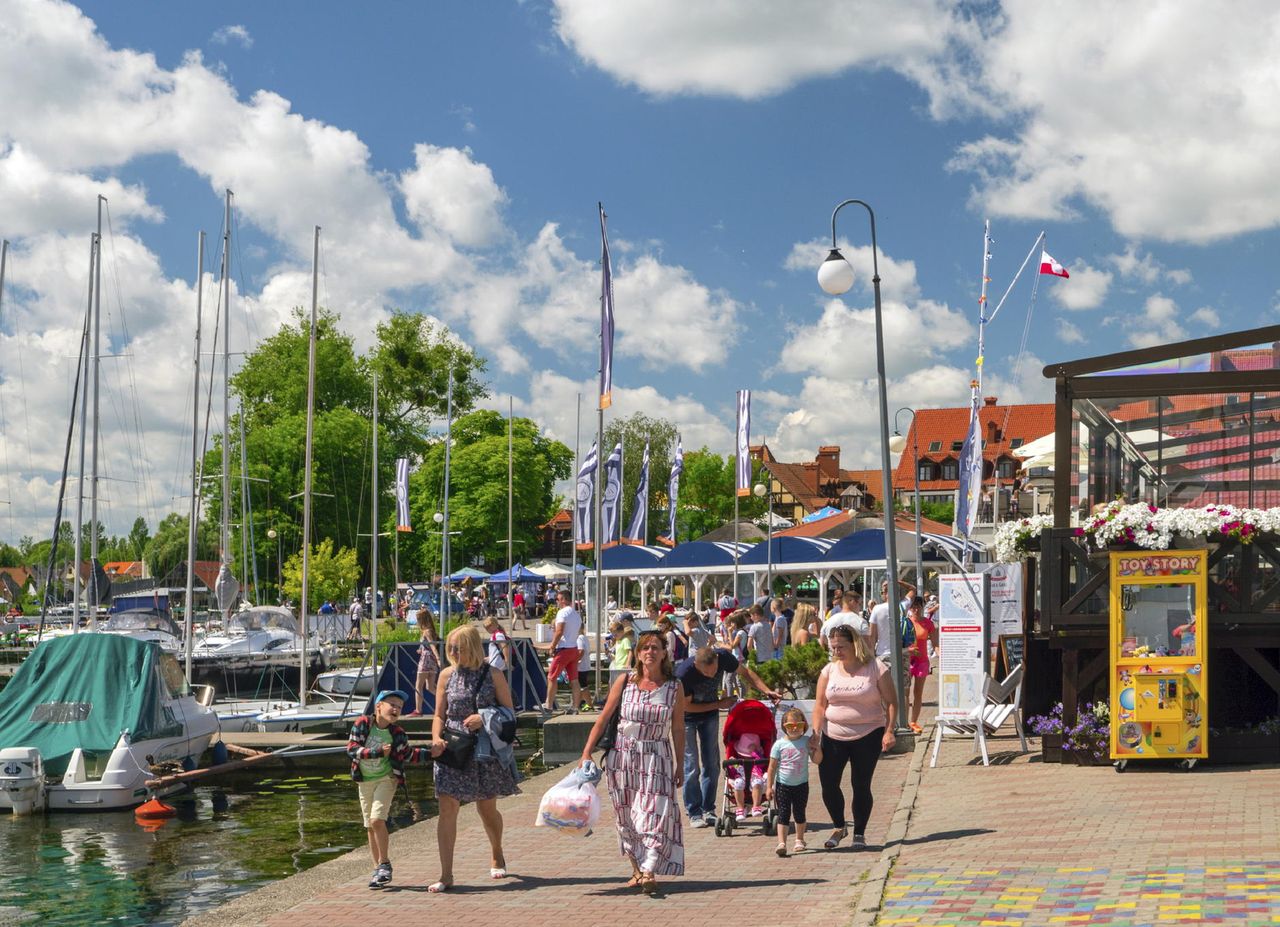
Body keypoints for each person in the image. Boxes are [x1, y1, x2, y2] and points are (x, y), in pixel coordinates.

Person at [580, 630, 685, 894]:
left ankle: (649, 869)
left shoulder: (674, 686)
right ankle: (636, 870)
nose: (650, 652)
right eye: (645, 648)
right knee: (626, 814)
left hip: (657, 756)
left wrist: (681, 764)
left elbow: (679, 728)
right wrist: (586, 752)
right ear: (637, 653)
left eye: (655, 648)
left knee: (653, 812)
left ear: (664, 653)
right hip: (623, 756)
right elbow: (604, 718)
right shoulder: (626, 681)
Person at [427, 625, 519, 893]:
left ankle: (497, 851)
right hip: (453, 748)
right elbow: (439, 715)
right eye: (451, 648)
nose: (453, 653)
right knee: (447, 810)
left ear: (473, 647)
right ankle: (446, 875)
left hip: (481, 749)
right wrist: (436, 738)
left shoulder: (493, 674)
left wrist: (484, 717)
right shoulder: (446, 675)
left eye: (459, 647)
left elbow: (510, 712)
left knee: (486, 809)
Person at [812, 625, 897, 851]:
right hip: (833, 734)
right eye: (833, 647)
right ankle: (839, 826)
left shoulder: (875, 668)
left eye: (841, 646)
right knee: (828, 785)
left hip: (868, 734)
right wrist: (815, 734)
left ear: (854, 644)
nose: (837, 651)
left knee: (860, 784)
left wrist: (889, 730)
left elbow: (891, 702)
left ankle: (859, 832)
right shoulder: (829, 670)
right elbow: (820, 705)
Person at [676, 644, 779, 827]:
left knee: (712, 764)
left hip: (710, 716)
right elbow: (686, 706)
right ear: (696, 665)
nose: (710, 676)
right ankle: (694, 812)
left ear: (717, 660)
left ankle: (709, 809)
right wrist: (719, 704)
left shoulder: (723, 656)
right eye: (705, 673)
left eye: (713, 672)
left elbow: (745, 673)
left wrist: (766, 690)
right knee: (691, 765)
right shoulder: (684, 673)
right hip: (687, 719)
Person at [345, 689, 428, 889]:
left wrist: (431, 753)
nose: (396, 709)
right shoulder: (363, 724)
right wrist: (376, 752)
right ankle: (377, 871)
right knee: (370, 825)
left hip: (386, 779)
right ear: (378, 706)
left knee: (377, 819)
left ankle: (384, 863)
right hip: (364, 780)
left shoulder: (397, 734)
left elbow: (407, 755)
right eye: (392, 704)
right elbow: (351, 750)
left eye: (399, 707)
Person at [768, 706, 820, 857]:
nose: (795, 728)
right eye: (790, 726)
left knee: (799, 813)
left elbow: (817, 760)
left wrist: (816, 747)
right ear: (784, 727)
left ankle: (799, 839)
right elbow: (771, 767)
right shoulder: (779, 744)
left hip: (801, 784)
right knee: (783, 813)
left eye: (799, 725)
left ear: (804, 725)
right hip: (783, 785)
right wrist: (769, 787)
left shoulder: (806, 741)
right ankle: (782, 842)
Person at [541, 589, 582, 716]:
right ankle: (575, 707)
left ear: (563, 599)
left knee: (552, 677)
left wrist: (552, 646)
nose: (557, 602)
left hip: (564, 649)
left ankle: (548, 705)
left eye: (558, 600)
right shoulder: (576, 614)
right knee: (574, 679)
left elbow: (559, 631)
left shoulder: (562, 613)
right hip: (574, 648)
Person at [904, 595, 938, 734]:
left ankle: (914, 722)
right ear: (910, 608)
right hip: (907, 660)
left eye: (919, 606)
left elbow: (936, 645)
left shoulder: (928, 624)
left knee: (918, 693)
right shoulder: (906, 622)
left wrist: (942, 657)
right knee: (905, 694)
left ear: (923, 607)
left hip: (922, 661)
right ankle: (904, 723)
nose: (916, 609)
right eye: (914, 606)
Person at [726, 730, 767, 821]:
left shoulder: (758, 760)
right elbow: (732, 774)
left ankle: (756, 806)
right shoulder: (738, 761)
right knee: (738, 782)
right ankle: (740, 808)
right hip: (741, 778)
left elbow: (762, 764)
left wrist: (754, 752)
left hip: (755, 778)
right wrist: (731, 764)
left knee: (758, 782)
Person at [408, 611, 441, 717]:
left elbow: (432, 645)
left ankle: (418, 710)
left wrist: (438, 657)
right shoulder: (432, 631)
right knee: (430, 687)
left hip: (426, 659)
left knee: (418, 685)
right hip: (432, 660)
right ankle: (446, 702)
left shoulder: (426, 631)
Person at [608, 619, 634, 684]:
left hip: (623, 667)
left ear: (622, 632)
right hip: (617, 667)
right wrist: (613, 657)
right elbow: (620, 653)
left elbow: (630, 652)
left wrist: (627, 664)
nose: (614, 636)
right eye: (613, 635)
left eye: (616, 635)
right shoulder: (618, 641)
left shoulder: (625, 640)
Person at [575, 627, 594, 711]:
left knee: (582, 686)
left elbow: (581, 651)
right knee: (580, 686)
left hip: (581, 667)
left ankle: (590, 704)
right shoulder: (584, 637)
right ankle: (577, 704)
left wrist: (575, 661)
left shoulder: (579, 638)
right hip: (585, 665)